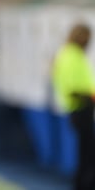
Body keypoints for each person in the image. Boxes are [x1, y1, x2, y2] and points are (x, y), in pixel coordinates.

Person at [52, 23, 95, 190]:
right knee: (87, 153)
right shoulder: (72, 55)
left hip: (77, 109)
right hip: (80, 109)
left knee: (86, 152)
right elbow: (74, 88)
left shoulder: (67, 54)